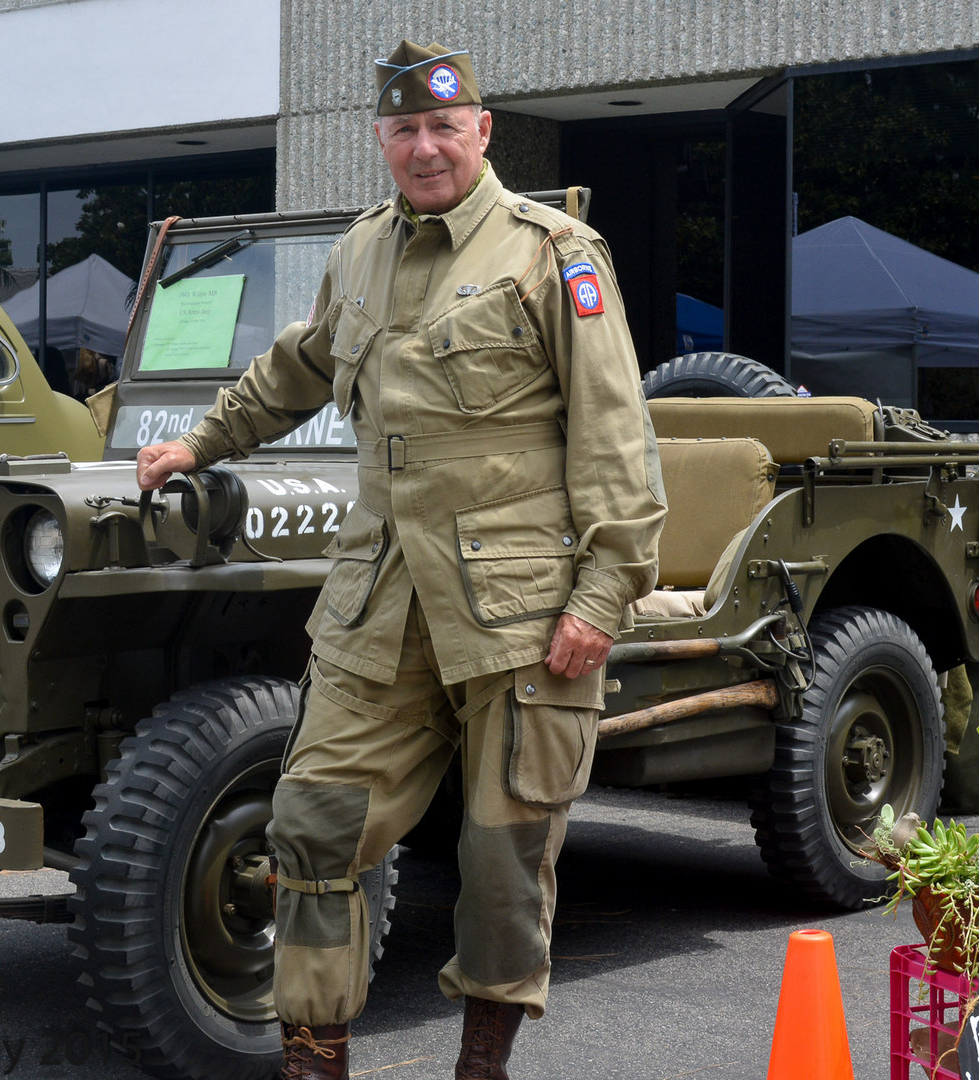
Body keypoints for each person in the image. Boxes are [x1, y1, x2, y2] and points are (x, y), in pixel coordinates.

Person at [137, 39, 665, 1080]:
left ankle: (482, 1068)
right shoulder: (362, 250)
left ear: (482, 129)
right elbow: (302, 363)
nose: (425, 148)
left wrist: (603, 594)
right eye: (403, 130)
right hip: (379, 597)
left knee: (503, 863)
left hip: (521, 610)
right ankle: (313, 1059)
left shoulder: (553, 253)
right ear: (380, 141)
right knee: (312, 824)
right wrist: (202, 440)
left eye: (442, 126)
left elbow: (617, 435)